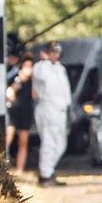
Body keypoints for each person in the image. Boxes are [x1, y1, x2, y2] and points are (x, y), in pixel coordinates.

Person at [32, 41, 71, 186]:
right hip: (48, 108)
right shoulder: (41, 67)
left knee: (61, 144)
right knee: (49, 142)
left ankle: (49, 169)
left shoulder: (60, 68)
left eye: (57, 52)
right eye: (52, 52)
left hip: (61, 110)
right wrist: (44, 60)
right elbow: (41, 77)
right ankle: (45, 174)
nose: (55, 55)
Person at [5, 55, 35, 175]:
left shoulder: (33, 81)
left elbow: (35, 96)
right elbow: (10, 94)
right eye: (27, 66)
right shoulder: (15, 78)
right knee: (8, 138)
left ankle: (20, 169)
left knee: (23, 141)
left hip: (26, 112)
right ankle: (4, 164)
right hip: (14, 111)